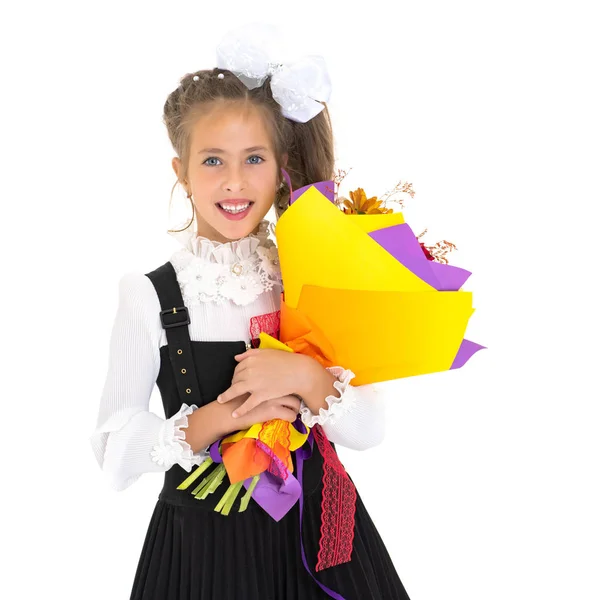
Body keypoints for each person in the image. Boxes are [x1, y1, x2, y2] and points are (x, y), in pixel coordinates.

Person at [90, 26, 412, 600]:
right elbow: (113, 457)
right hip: (202, 553)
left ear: (281, 166)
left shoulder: (309, 275)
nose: (234, 182)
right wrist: (216, 417)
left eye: (254, 158)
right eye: (213, 160)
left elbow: (370, 430)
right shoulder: (149, 295)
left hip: (317, 541)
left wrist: (308, 378)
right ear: (181, 172)